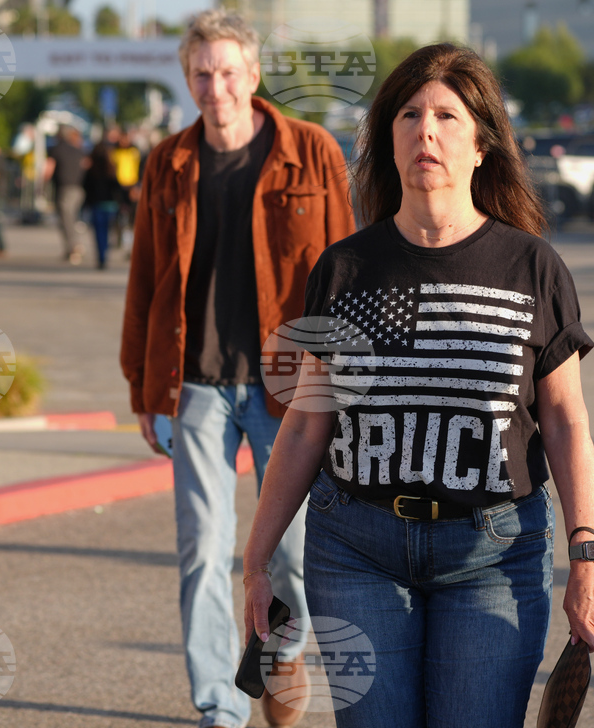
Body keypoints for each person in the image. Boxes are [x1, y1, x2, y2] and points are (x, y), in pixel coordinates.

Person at [243, 43, 594, 728]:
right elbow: (305, 424)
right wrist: (257, 559)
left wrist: (588, 553)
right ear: (389, 139)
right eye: (409, 114)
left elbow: (565, 424)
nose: (426, 131)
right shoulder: (345, 269)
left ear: (481, 147)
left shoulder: (532, 269)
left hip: (493, 553)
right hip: (353, 550)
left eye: (447, 115)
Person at [119, 10, 355, 728]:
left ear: (252, 75)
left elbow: (348, 264)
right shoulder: (169, 161)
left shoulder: (310, 150)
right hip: (193, 386)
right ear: (187, 79)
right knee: (202, 552)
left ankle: (280, 658)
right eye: (201, 73)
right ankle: (220, 709)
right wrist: (141, 384)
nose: (214, 86)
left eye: (227, 72)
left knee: (290, 556)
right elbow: (146, 276)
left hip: (289, 389)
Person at [45, 125, 88, 264]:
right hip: (78, 188)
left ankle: (74, 247)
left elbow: (49, 168)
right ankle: (72, 247)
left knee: (66, 220)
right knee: (72, 218)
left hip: (64, 189)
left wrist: (43, 184)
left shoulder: (56, 149)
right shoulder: (78, 150)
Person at [82, 142, 123, 270]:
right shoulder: (111, 168)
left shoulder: (91, 170)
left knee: (98, 232)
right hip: (110, 205)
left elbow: (85, 187)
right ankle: (104, 254)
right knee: (107, 231)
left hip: (96, 204)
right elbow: (117, 187)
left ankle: (101, 256)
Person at [111, 129, 142, 250]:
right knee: (119, 214)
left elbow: (140, 168)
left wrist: (137, 186)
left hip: (131, 185)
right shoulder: (114, 151)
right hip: (118, 186)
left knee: (132, 216)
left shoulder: (134, 151)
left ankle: (132, 244)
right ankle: (119, 238)